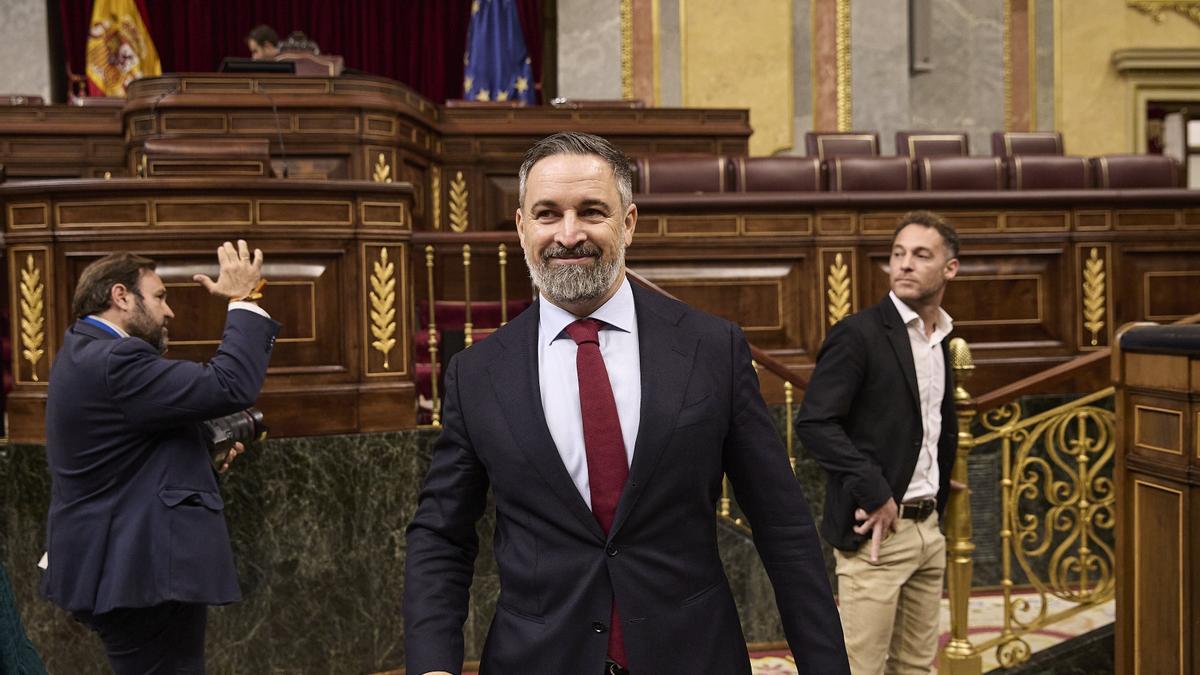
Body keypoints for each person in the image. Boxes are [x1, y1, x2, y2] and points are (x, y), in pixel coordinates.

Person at [404, 132, 848, 675]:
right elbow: (442, 537)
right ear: (521, 228)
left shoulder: (712, 349)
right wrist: (432, 666)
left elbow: (782, 526)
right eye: (547, 214)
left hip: (694, 656)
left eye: (592, 211)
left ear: (629, 222)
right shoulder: (477, 374)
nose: (569, 235)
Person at [40, 241, 279, 674]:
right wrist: (244, 299)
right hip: (135, 569)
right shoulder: (117, 359)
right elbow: (230, 385)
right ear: (120, 296)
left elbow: (124, 452)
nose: (169, 312)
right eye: (160, 297)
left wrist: (200, 457)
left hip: (120, 564)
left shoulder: (80, 349)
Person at [796, 211, 961, 675]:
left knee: (915, 667)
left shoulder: (944, 337)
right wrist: (876, 491)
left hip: (928, 529)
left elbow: (927, 425)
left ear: (950, 268)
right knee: (859, 668)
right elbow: (816, 423)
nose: (905, 264)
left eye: (921, 255)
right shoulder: (859, 334)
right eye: (898, 254)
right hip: (877, 534)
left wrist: (937, 486)